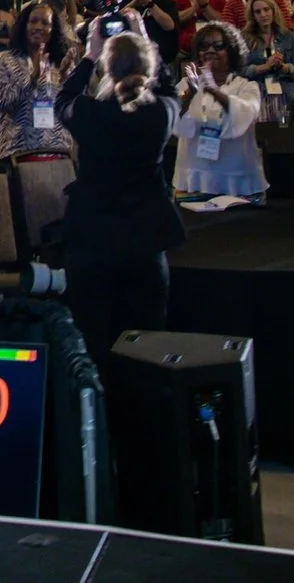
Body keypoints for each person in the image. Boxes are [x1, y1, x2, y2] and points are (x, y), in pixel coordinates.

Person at [60, 18, 185, 361]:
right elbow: (170, 90)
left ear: (106, 68)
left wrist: (89, 56)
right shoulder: (161, 114)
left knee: (92, 337)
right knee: (148, 340)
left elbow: (64, 99)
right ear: (149, 67)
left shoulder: (89, 112)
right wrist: (145, 39)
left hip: (93, 240)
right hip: (145, 240)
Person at [170, 21, 265, 199]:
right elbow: (174, 122)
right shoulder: (186, 85)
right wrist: (189, 95)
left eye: (218, 45)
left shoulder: (247, 87)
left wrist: (214, 90)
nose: (210, 50)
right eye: (204, 46)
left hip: (236, 180)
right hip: (194, 179)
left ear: (232, 51)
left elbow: (244, 114)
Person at [0, 3, 78, 162]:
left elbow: (74, 110)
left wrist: (66, 79)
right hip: (18, 151)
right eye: (33, 21)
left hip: (58, 150)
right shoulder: (5, 60)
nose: (38, 27)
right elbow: (1, 104)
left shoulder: (61, 61)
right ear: (24, 25)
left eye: (45, 23)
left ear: (53, 29)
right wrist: (32, 78)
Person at [239, 0, 294, 120]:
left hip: (285, 93)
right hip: (256, 93)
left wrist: (282, 66)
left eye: (266, 9)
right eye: (258, 12)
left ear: (273, 11)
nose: (263, 14)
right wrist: (265, 67)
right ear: (253, 16)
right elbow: (239, 71)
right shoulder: (244, 38)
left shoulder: (289, 37)